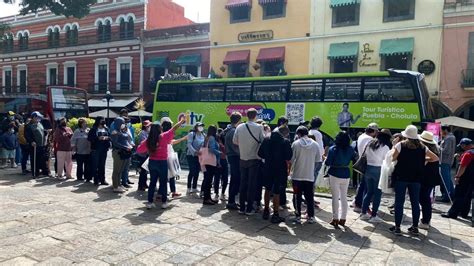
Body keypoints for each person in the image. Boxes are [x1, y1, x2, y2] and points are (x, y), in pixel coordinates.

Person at [390, 125, 439, 236]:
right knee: (415, 203)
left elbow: (392, 158)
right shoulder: (422, 147)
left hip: (401, 177)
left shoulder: (400, 145)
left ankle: (397, 227)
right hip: (416, 178)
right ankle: (415, 227)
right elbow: (435, 158)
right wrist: (424, 160)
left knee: (399, 202)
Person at [137, 117, 185, 209]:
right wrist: (180, 122)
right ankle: (164, 202)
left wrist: (148, 148)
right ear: (160, 129)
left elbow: (139, 150)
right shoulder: (163, 137)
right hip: (162, 162)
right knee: (163, 182)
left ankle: (150, 203)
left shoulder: (148, 140)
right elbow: (173, 129)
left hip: (152, 162)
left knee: (152, 183)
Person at [258, 125, 292, 223]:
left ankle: (266, 210)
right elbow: (289, 156)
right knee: (277, 191)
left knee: (267, 189)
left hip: (268, 167)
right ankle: (276, 214)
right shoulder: (285, 142)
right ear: (285, 133)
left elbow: (260, 153)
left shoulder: (266, 139)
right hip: (280, 169)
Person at [233, 108, 264, 215]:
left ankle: (241, 208)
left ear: (246, 116)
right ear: (255, 116)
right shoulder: (259, 127)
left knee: (243, 183)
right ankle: (249, 208)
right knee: (251, 184)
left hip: (242, 158)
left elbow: (235, 141)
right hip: (254, 159)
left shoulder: (240, 127)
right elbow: (263, 142)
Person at [325, 131, 357, 228]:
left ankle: (335, 218)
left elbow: (328, 163)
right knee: (344, 197)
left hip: (334, 173)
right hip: (346, 173)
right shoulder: (350, 149)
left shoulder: (333, 149)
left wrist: (325, 157)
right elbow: (354, 158)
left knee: (335, 197)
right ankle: (343, 218)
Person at [359, 129, 392, 223]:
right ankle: (374, 215)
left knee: (369, 192)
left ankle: (363, 213)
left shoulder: (370, 144)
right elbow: (387, 161)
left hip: (368, 169)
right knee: (377, 193)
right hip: (378, 170)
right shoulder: (385, 147)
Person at [291, 126, 320, 224]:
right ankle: (311, 216)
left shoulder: (295, 144)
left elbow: (291, 159)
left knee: (296, 196)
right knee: (309, 197)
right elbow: (318, 160)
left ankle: (298, 216)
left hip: (297, 175)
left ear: (298, 134)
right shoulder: (315, 145)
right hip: (309, 175)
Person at [441, 138, 474, 220]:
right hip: (472, 179)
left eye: (462, 146)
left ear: (464, 145)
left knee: (459, 195)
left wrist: (457, 177)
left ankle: (452, 213)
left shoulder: (468, 154)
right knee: (467, 196)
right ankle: (464, 213)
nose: (461, 147)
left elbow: (463, 167)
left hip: (464, 178)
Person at [352, 123, 379, 213]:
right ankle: (360, 204)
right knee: (366, 186)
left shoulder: (362, 136)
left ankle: (357, 202)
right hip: (368, 164)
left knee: (362, 184)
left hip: (362, 162)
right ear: (374, 131)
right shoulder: (370, 139)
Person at [417, 131, 442, 230]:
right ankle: (426, 219)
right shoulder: (434, 150)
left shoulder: (426, 151)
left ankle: (425, 220)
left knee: (424, 199)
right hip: (431, 179)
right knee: (425, 199)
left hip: (425, 179)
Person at [160, 117, 187, 199]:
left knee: (165, 175)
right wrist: (181, 121)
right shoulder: (167, 134)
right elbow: (172, 140)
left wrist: (183, 138)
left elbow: (172, 142)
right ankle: (167, 192)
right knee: (170, 174)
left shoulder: (160, 134)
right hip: (167, 156)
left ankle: (162, 193)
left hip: (162, 156)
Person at [110, 117, 134, 193]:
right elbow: (115, 143)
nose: (124, 124)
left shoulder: (122, 131)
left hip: (124, 152)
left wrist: (129, 146)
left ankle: (119, 185)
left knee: (121, 170)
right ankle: (115, 186)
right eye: (122, 122)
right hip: (118, 152)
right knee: (116, 170)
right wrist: (126, 147)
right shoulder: (115, 132)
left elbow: (126, 139)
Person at [225, 112, 242, 210]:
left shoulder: (229, 130)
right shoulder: (233, 131)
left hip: (232, 156)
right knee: (235, 179)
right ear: (238, 120)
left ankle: (232, 200)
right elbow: (235, 147)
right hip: (235, 157)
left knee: (234, 179)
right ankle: (231, 201)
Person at [200, 125, 221, 205]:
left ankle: (208, 197)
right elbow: (212, 149)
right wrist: (219, 152)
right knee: (208, 180)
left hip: (206, 160)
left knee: (207, 179)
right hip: (210, 161)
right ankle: (206, 198)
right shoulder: (212, 138)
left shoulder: (207, 137)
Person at [88, 116, 110, 186]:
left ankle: (102, 180)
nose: (103, 121)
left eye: (104, 120)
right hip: (96, 149)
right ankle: (96, 179)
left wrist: (107, 138)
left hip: (104, 149)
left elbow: (110, 137)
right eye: (102, 120)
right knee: (95, 165)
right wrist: (98, 138)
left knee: (102, 165)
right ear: (98, 121)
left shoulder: (106, 129)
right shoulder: (94, 129)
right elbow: (89, 138)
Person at [25, 112, 48, 178]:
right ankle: (35, 172)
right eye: (37, 117)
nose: (39, 118)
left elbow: (42, 131)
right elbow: (27, 135)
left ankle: (44, 172)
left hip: (41, 145)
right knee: (34, 159)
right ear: (34, 117)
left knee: (42, 159)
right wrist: (31, 141)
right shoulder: (29, 125)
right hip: (34, 146)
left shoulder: (40, 124)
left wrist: (46, 132)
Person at [309, 116, 325, 207]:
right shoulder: (318, 134)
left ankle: (309, 197)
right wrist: (323, 156)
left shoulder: (309, 132)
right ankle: (311, 198)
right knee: (313, 179)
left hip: (311, 158)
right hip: (317, 159)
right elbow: (320, 147)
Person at [186, 122, 205, 195]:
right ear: (196, 127)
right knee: (192, 170)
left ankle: (194, 187)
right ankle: (188, 187)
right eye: (199, 126)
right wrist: (194, 152)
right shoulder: (192, 134)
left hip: (199, 155)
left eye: (202, 126)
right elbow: (189, 144)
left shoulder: (203, 135)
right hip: (191, 155)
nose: (201, 127)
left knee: (197, 171)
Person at [439, 125, 456, 202]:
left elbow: (446, 150)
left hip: (445, 161)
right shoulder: (451, 137)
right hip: (448, 161)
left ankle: (447, 196)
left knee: (445, 179)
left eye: (441, 130)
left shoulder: (449, 138)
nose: (441, 132)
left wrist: (438, 147)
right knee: (448, 179)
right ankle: (451, 194)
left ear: (445, 130)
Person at [214, 128, 229, 202]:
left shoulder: (225, 142)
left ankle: (222, 193)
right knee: (217, 178)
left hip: (224, 160)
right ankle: (217, 194)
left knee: (225, 178)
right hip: (218, 161)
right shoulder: (216, 142)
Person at [137, 120, 151, 191]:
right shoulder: (142, 133)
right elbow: (145, 142)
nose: (150, 127)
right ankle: (140, 185)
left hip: (146, 154)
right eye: (148, 126)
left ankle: (144, 183)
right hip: (142, 154)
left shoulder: (148, 133)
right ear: (145, 126)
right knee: (142, 171)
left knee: (145, 170)